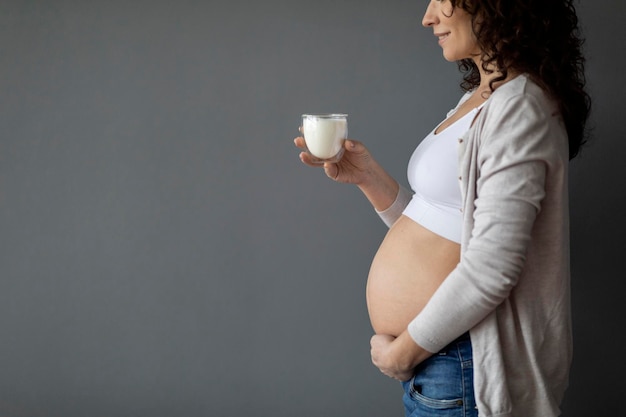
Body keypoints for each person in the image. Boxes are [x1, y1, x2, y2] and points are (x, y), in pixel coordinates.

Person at [294, 0, 591, 416]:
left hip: (462, 365)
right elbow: (442, 227)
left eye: (441, 1)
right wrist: (368, 177)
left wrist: (404, 353)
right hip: (441, 362)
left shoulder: (520, 107)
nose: (428, 17)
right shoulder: (481, 98)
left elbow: (493, 266)